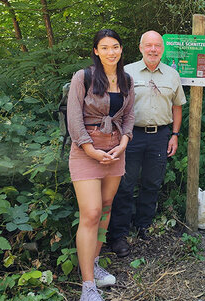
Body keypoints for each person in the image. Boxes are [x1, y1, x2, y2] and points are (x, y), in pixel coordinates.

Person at [67, 29, 135, 300]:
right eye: (105, 47)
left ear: (121, 50)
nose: (111, 52)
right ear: (96, 51)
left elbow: (129, 116)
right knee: (91, 213)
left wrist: (124, 142)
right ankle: (88, 286)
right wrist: (90, 150)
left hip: (116, 150)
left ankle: (94, 264)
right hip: (86, 151)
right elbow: (74, 118)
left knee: (105, 208)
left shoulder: (127, 80)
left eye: (115, 47)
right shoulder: (83, 77)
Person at [108, 31, 186, 257]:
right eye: (148, 45)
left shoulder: (172, 75)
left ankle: (143, 226)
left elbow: (178, 107)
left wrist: (175, 134)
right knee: (125, 184)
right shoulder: (126, 72)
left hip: (160, 135)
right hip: (130, 136)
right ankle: (119, 234)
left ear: (163, 49)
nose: (153, 50)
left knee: (152, 183)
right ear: (140, 47)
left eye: (157, 46)